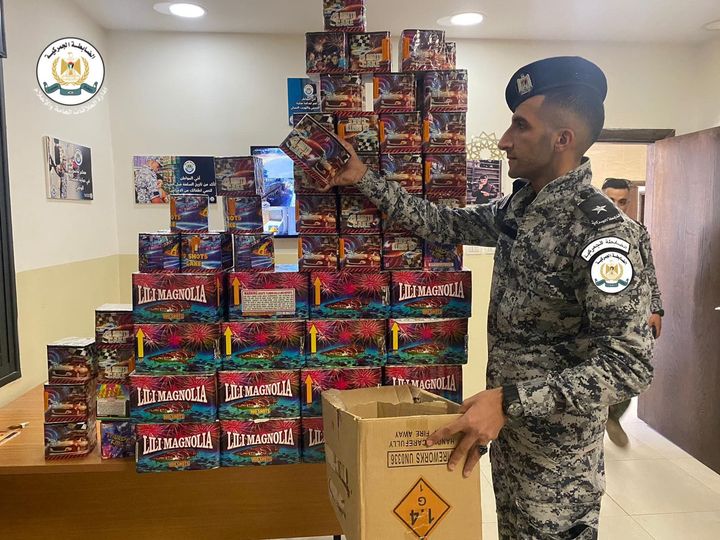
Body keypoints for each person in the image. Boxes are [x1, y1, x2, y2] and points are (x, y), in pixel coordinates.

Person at [326, 56, 654, 539]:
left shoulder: (602, 233)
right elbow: (442, 224)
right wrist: (363, 178)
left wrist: (510, 402)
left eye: (521, 126)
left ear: (562, 138)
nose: (504, 140)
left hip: (558, 462)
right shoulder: (519, 209)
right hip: (509, 438)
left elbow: (630, 364)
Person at [601, 177, 664, 446]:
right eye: (610, 200)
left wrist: (656, 309)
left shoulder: (637, 231)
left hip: (629, 312)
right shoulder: (583, 228)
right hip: (594, 313)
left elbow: (648, 271)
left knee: (633, 367)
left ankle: (613, 414)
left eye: (622, 201)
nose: (617, 206)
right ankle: (596, 420)